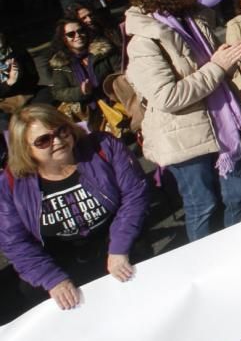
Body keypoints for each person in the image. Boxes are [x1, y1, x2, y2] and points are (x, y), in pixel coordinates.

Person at [123, 0, 241, 242]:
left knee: (237, 197)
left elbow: (217, 68)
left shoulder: (195, 19)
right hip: (185, 137)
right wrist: (217, 67)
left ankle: (238, 253)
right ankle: (204, 265)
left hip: (221, 127)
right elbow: (167, 97)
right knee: (202, 206)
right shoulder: (143, 43)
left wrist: (238, 90)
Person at [0, 104, 150, 310]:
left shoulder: (104, 147)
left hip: (115, 241)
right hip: (61, 257)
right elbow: (13, 241)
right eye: (44, 140)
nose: (58, 141)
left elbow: (134, 194)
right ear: (26, 149)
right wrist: (52, 279)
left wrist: (119, 246)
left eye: (61, 130)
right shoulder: (11, 184)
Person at [47, 18, 121, 133]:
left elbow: (120, 71)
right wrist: (80, 91)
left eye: (80, 31)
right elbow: (58, 92)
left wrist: (109, 87)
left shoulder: (103, 51)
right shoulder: (61, 63)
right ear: (64, 39)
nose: (78, 36)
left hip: (112, 101)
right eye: (71, 34)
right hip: (84, 111)